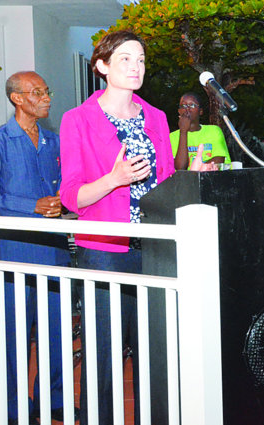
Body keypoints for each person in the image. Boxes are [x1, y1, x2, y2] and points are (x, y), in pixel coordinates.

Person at [59, 30, 179, 424]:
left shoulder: (157, 118)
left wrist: (190, 177)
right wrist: (114, 179)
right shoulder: (77, 120)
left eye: (141, 59)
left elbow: (166, 182)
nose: (135, 66)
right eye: (125, 58)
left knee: (154, 351)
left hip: (156, 248)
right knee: (103, 353)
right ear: (102, 66)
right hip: (105, 252)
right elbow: (71, 198)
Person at [0, 71, 69, 424]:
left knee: (56, 332)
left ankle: (53, 400)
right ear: (17, 98)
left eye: (47, 91)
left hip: (56, 248)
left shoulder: (53, 142)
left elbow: (66, 190)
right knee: (16, 333)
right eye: (37, 92)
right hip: (18, 251)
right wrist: (32, 205)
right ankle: (16, 409)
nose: (46, 98)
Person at [171, 91, 231, 170]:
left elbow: (219, 160)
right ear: (179, 111)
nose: (187, 109)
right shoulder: (172, 137)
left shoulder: (214, 131)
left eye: (192, 105)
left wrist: (196, 170)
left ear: (200, 111)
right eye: (183, 105)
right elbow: (180, 167)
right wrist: (183, 131)